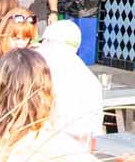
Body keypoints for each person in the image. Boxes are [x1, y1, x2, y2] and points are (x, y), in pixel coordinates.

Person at [36, 19, 103, 148]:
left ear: (47, 41)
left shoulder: (40, 66)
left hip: (48, 146)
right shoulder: (88, 76)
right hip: (85, 147)